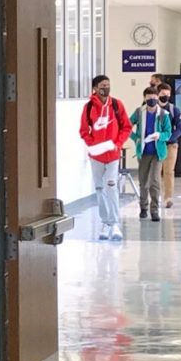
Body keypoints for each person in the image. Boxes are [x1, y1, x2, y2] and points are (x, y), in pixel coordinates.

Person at [79, 75, 133, 241]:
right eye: (103, 85)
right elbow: (83, 130)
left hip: (113, 154)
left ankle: (115, 223)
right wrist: (92, 143)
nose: (106, 88)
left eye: (108, 85)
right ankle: (106, 222)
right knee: (100, 189)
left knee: (111, 186)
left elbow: (126, 126)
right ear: (95, 88)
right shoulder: (89, 108)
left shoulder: (116, 105)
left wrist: (117, 143)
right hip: (96, 156)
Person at [130, 87, 173, 222]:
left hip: (157, 153)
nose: (152, 100)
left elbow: (168, 133)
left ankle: (154, 210)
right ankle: (143, 207)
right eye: (149, 98)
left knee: (154, 180)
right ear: (144, 99)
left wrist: (159, 135)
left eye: (154, 98)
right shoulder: (139, 112)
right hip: (143, 152)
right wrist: (136, 137)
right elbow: (126, 125)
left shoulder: (163, 114)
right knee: (143, 182)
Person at [156, 83, 181, 209]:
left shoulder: (174, 110)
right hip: (154, 145)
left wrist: (169, 139)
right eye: (163, 94)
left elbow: (180, 128)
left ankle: (168, 198)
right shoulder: (150, 108)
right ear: (157, 94)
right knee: (155, 172)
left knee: (168, 171)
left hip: (171, 145)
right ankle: (155, 196)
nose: (165, 97)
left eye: (167, 95)